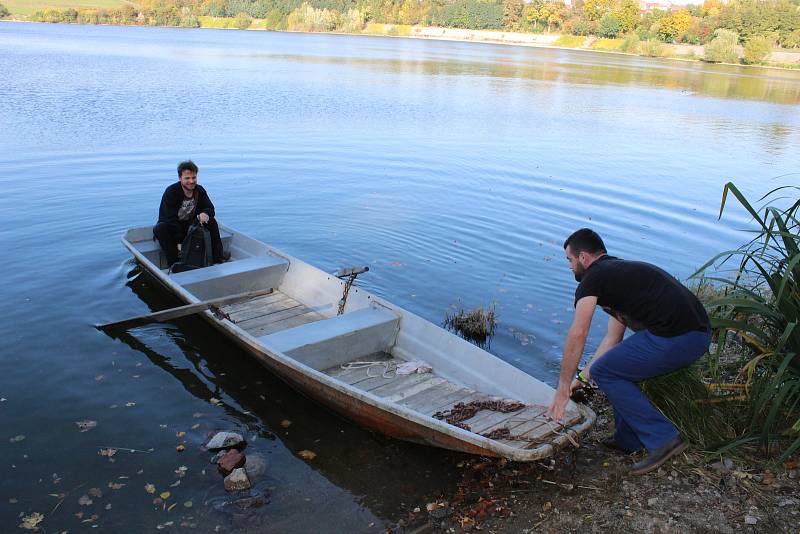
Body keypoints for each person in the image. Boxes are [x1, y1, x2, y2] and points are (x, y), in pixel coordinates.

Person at [545, 228, 710, 475]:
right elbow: (612, 339)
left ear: (583, 258)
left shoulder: (593, 279)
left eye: (569, 259)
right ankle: (628, 440)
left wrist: (562, 385)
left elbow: (578, 333)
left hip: (680, 337)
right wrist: (580, 379)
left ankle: (664, 439)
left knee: (607, 371)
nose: (569, 267)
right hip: (694, 334)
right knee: (612, 368)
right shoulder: (616, 275)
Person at [153, 160, 225, 267]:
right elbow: (169, 219)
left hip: (190, 225)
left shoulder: (199, 190)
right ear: (180, 178)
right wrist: (181, 242)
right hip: (173, 228)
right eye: (187, 178)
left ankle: (218, 258)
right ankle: (174, 262)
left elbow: (210, 209)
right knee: (159, 228)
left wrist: (205, 213)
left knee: (212, 221)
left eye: (194, 177)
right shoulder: (171, 192)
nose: (191, 181)